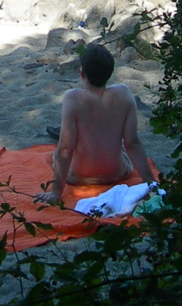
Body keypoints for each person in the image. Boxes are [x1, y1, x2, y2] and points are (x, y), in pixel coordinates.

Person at [34, 44, 151, 205]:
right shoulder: (124, 93)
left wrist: (56, 192)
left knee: (56, 154)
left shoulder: (73, 98)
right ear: (110, 72)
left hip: (77, 177)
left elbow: (66, 148)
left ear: (82, 73)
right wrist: (152, 184)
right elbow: (132, 143)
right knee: (121, 148)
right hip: (118, 174)